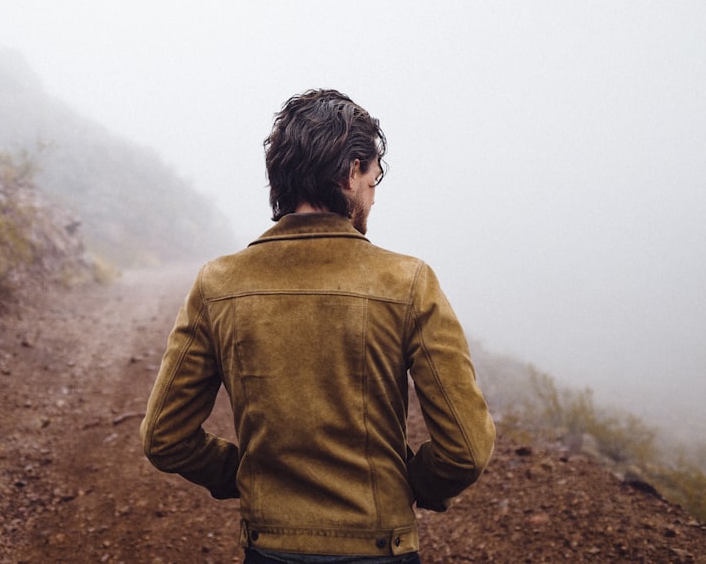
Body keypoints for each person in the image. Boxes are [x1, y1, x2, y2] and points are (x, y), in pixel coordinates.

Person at [140, 89, 495, 563]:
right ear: (351, 172)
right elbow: (466, 449)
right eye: (374, 178)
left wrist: (245, 475)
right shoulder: (408, 282)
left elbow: (164, 436)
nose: (373, 194)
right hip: (379, 547)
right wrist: (410, 485)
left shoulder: (217, 284)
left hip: (270, 549)